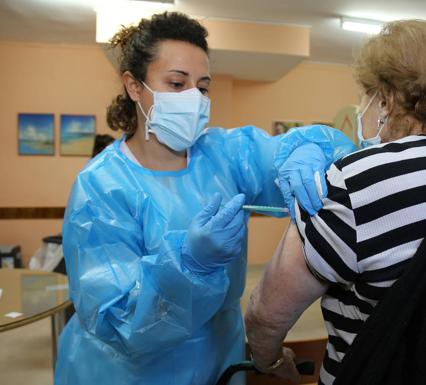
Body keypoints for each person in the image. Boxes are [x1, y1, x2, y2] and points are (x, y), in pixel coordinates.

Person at [54, 12, 355, 385]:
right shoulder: (101, 186)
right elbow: (120, 323)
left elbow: (292, 152)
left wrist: (308, 149)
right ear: (134, 86)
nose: (194, 99)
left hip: (218, 356)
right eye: (177, 83)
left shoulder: (224, 154)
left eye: (203, 86)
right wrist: (189, 266)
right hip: (127, 371)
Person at [245, 20, 426, 385]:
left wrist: (271, 361)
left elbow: (265, 314)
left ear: (384, 100)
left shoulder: (354, 180)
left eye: (364, 96)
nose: (361, 108)